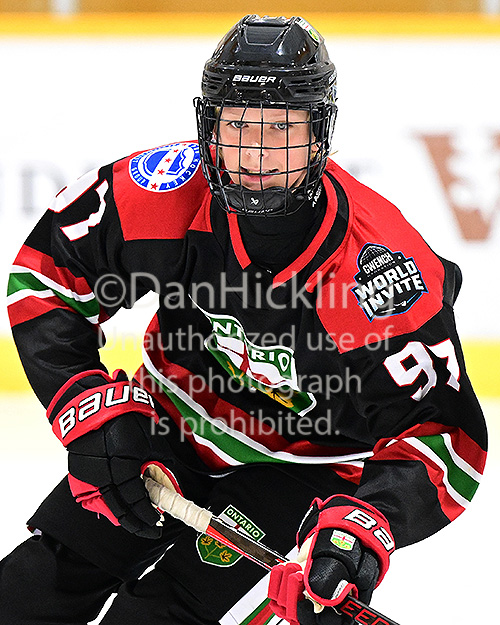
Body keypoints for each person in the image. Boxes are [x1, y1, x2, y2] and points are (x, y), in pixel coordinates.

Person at [1, 14, 487, 625]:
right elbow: (48, 277)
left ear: (319, 134)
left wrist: (365, 527)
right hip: (169, 424)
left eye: (281, 128)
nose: (256, 152)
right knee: (32, 588)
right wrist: (83, 405)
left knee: (154, 617)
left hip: (301, 469)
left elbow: (447, 437)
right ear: (209, 125)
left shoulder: (376, 276)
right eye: (237, 125)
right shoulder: (163, 193)